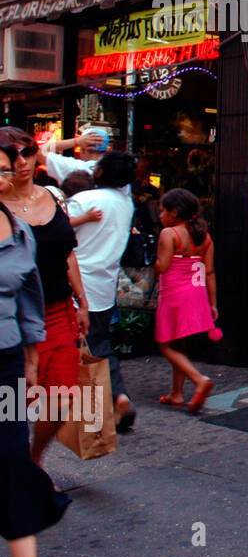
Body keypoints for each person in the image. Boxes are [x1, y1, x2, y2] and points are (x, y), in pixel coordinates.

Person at [0, 129, 90, 469]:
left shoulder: (53, 196)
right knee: (12, 404)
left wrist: (82, 302)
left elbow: (68, 253)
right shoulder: (2, 209)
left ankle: (32, 461)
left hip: (58, 312)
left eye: (28, 152)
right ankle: (16, 469)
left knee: (63, 399)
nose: (22, 162)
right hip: (13, 319)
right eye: (14, 156)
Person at [0, 143, 69, 557]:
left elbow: (29, 297)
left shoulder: (17, 228)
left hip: (4, 357)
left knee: (10, 455)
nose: (3, 174)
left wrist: (29, 356)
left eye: (3, 169)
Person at [65, 152, 137, 432]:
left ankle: (81, 409)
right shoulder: (125, 203)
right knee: (101, 346)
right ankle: (118, 395)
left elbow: (56, 234)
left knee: (70, 348)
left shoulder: (83, 201)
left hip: (75, 285)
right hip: (104, 286)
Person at [153, 190, 218, 413]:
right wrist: (213, 303)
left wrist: (151, 260)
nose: (160, 215)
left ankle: (199, 379)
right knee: (179, 343)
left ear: (174, 212)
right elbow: (209, 272)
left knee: (165, 344)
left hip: (173, 294)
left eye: (162, 210)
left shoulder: (169, 234)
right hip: (197, 292)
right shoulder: (205, 237)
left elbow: (162, 267)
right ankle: (176, 394)